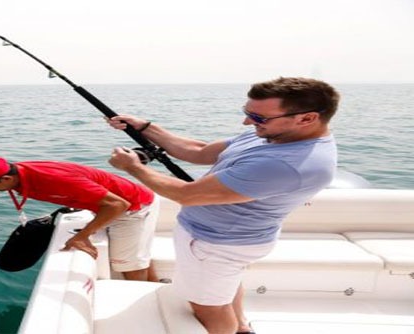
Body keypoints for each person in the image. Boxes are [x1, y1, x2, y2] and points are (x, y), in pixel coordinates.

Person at [106, 77, 339, 334]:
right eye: (248, 113)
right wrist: (147, 128)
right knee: (223, 291)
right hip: (225, 238)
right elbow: (200, 151)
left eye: (259, 118)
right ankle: (241, 327)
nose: (248, 122)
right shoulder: (272, 136)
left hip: (217, 244)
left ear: (306, 119)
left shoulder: (286, 163)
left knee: (210, 310)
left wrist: (133, 167)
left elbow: (187, 195)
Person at [0, 156, 160, 281]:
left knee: (128, 265)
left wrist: (83, 236)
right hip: (105, 205)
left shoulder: (54, 179)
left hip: (132, 209)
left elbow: (118, 205)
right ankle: (156, 284)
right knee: (135, 256)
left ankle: (144, 306)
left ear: (6, 179)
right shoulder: (14, 174)